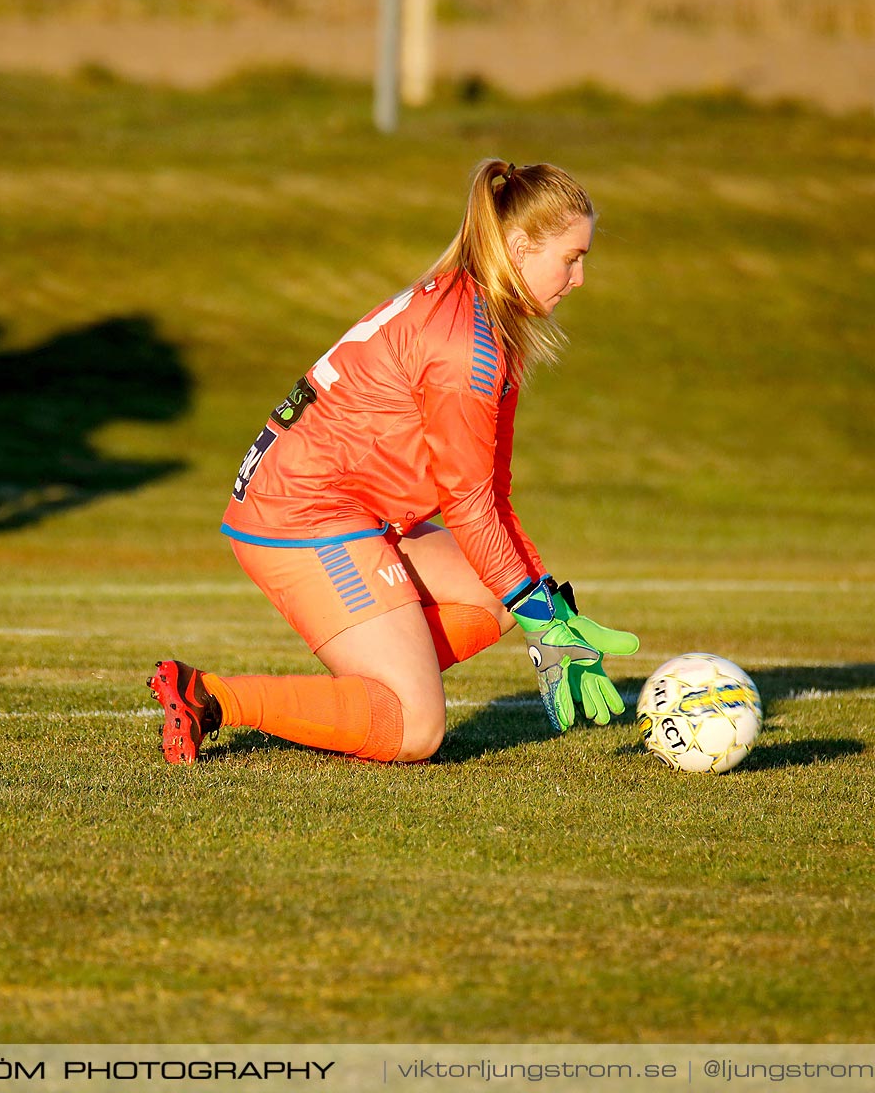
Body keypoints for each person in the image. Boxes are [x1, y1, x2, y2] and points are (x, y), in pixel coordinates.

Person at [149, 159, 639, 765]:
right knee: (415, 729)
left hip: (335, 508)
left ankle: (377, 671)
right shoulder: (468, 346)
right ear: (518, 247)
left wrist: (545, 603)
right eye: (571, 257)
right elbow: (466, 504)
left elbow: (492, 495)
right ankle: (212, 697)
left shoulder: (484, 323)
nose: (580, 277)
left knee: (498, 593)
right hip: (303, 516)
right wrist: (537, 610)